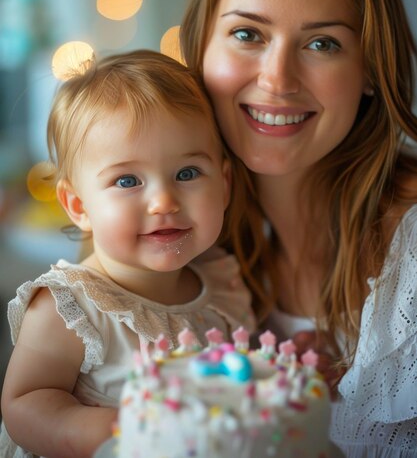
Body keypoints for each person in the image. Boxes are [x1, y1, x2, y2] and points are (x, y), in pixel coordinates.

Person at [179, 0, 417, 456]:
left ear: (368, 71)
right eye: (247, 34)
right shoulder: (191, 241)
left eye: (321, 43)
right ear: (201, 47)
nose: (277, 79)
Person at [0, 49, 255, 458]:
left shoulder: (223, 282)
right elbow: (24, 404)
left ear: (223, 185)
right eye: (128, 180)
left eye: (187, 173)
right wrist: (123, 429)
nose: (163, 201)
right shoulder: (70, 307)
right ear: (79, 206)